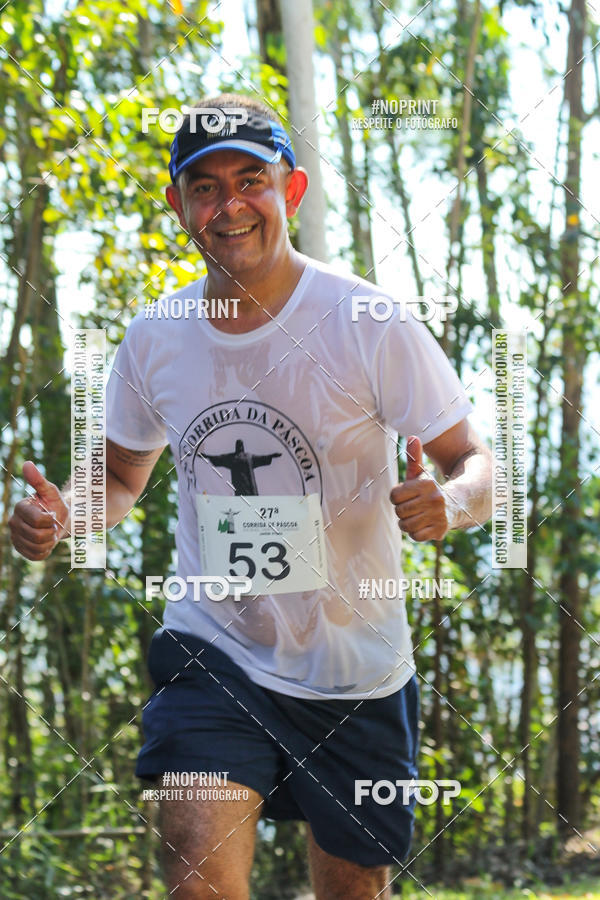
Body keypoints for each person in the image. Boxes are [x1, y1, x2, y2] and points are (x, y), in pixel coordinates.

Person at [9, 93, 492, 899]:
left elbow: (475, 458)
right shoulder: (156, 338)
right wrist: (66, 514)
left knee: (352, 890)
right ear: (179, 206)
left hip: (354, 674)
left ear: (290, 191)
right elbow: (122, 478)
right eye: (205, 187)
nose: (229, 205)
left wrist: (455, 502)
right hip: (214, 653)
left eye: (251, 180)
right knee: (196, 872)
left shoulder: (366, 320)